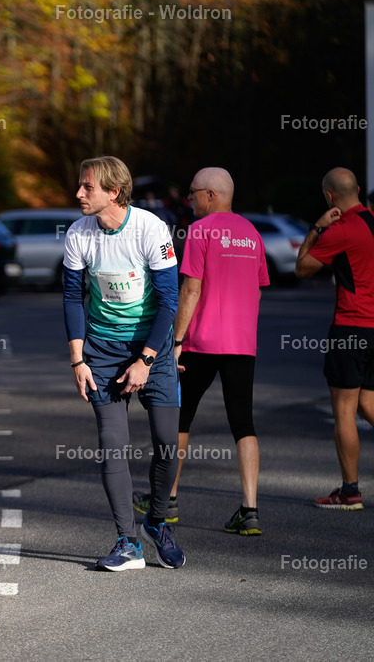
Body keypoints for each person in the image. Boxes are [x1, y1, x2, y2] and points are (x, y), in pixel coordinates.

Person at [62, 155, 184, 571]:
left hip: (153, 348)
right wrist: (78, 359)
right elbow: (71, 298)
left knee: (168, 444)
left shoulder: (150, 228)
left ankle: (157, 520)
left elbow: (170, 300)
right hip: (103, 352)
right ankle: (127, 541)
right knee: (112, 446)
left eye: (88, 187)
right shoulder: (79, 233)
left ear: (113, 192)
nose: (79, 193)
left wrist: (147, 359)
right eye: (80, 186)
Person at [134, 168, 269, 535]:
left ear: (211, 195)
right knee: (243, 423)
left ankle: (168, 501)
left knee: (180, 417)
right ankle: (250, 510)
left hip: (201, 341)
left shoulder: (200, 231)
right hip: (242, 344)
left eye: (193, 193)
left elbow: (190, 290)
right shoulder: (252, 233)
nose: (189, 200)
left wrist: (175, 342)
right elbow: (257, 291)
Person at [295, 167, 374, 510]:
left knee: (344, 411)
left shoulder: (340, 230)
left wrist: (316, 227)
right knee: (368, 403)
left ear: (330, 197)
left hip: (351, 328)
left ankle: (350, 491)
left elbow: (302, 267)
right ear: (357, 188)